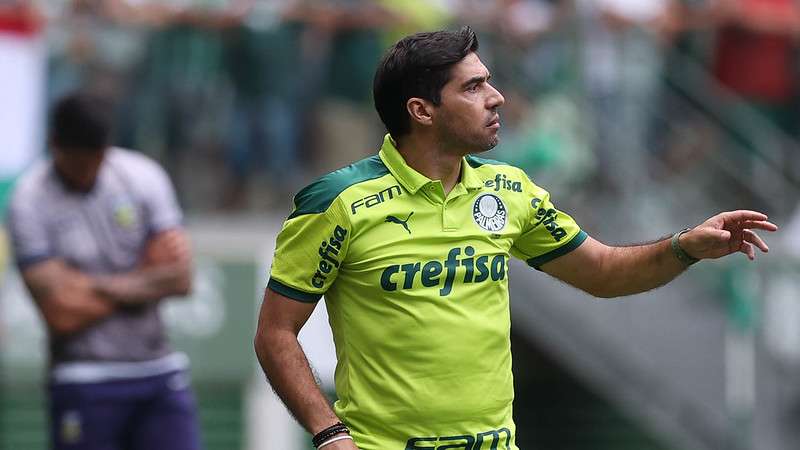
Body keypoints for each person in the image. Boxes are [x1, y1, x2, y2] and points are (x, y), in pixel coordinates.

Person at [253, 27, 777, 450]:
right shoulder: (338, 201)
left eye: (488, 81)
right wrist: (330, 436)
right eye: (473, 87)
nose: (497, 97)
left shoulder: (509, 188)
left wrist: (685, 246)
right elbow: (276, 333)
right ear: (421, 110)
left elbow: (602, 272)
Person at [6, 92, 201, 450]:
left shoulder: (142, 176)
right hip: (81, 375)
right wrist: (144, 279)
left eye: (96, 160)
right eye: (80, 162)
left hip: (157, 370)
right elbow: (60, 313)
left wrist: (84, 285)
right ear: (55, 146)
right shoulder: (29, 200)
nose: (89, 171)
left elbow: (180, 276)